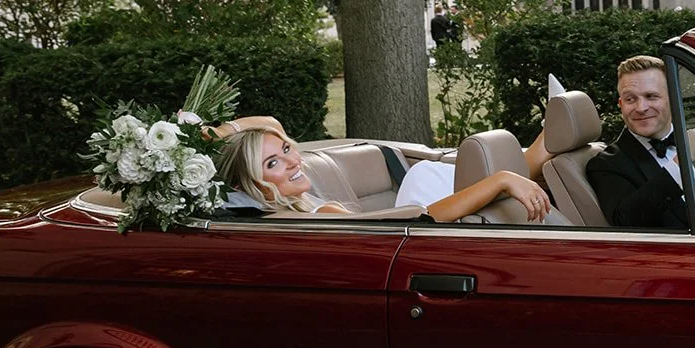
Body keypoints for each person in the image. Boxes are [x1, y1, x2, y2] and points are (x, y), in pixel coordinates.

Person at [214, 119, 551, 222]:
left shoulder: (293, 205)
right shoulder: (321, 213)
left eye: (287, 149)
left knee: (426, 173)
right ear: (248, 185)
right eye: (272, 163)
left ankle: (536, 153)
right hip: (414, 228)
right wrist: (500, 180)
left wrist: (211, 131)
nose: (292, 161)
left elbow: (270, 124)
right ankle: (532, 156)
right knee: (426, 176)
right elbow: (414, 220)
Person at [585, 55, 695, 229]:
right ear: (620, 104)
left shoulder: (693, 138)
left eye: (651, 96)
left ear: (673, 98)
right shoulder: (606, 164)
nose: (641, 108)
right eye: (630, 99)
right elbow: (626, 220)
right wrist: (681, 162)